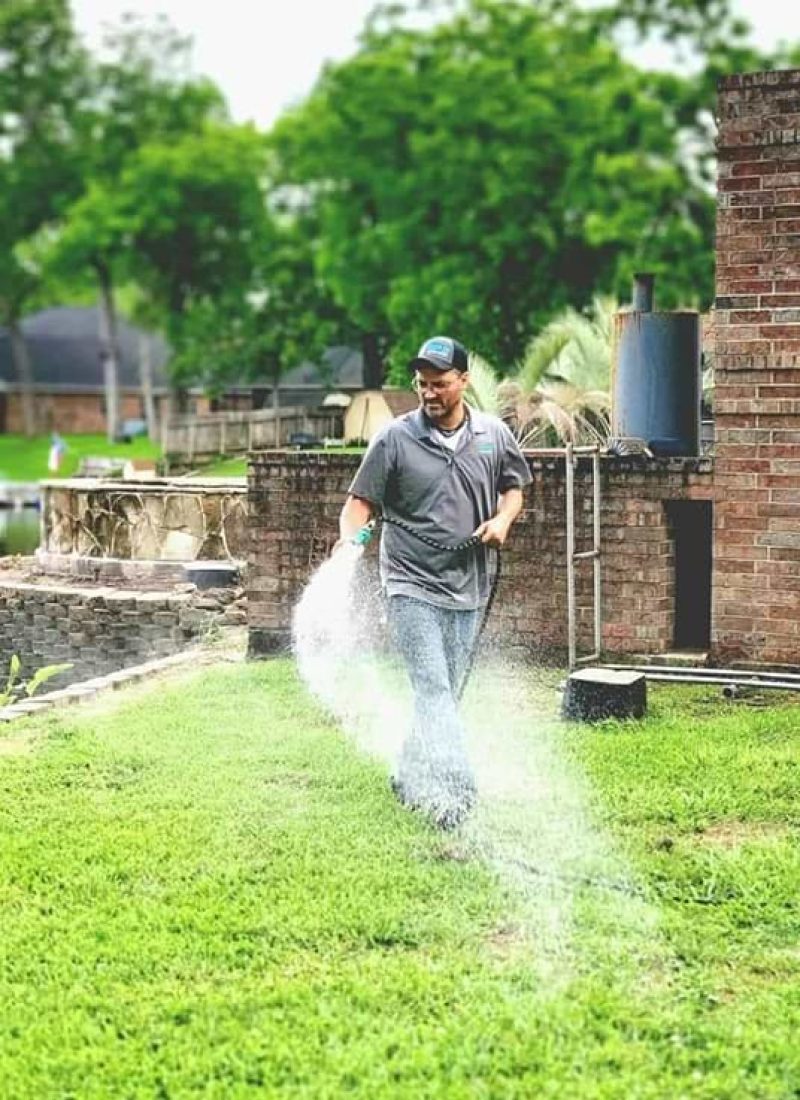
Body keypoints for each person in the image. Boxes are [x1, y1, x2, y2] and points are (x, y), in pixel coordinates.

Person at [338, 335, 532, 828]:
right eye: (422, 384)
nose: (430, 393)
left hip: (468, 586)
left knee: (445, 691)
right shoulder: (395, 439)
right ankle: (455, 790)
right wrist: (351, 540)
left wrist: (503, 520)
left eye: (440, 384)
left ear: (463, 382)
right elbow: (360, 504)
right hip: (409, 584)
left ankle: (407, 772)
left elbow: (514, 489)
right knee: (432, 685)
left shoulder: (493, 435)